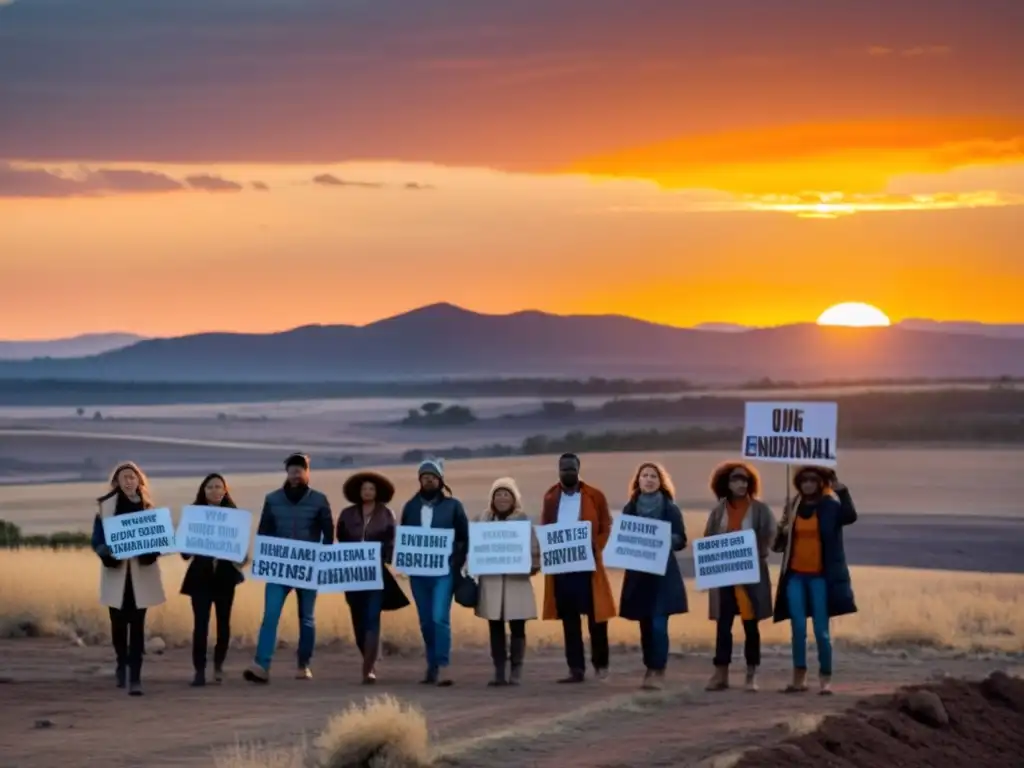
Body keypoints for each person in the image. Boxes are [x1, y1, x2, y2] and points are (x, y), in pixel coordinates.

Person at [244, 453, 334, 684]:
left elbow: (329, 534)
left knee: (306, 618)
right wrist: (265, 559)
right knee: (270, 616)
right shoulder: (273, 499)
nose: (296, 473)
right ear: (287, 472)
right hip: (279, 569)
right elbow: (264, 531)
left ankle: (303, 664)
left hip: (308, 568)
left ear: (307, 472)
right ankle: (261, 666)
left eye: (300, 469)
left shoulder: (320, 500)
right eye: (292, 469)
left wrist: (322, 559)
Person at [772, 465, 858, 695]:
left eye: (813, 480)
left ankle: (825, 678)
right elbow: (778, 543)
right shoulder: (794, 505)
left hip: (821, 577)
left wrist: (841, 490)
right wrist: (782, 529)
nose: (808, 484)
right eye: (804, 480)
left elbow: (850, 516)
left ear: (821, 482)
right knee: (798, 627)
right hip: (795, 575)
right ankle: (798, 678)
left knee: (821, 630)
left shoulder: (830, 505)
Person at [90, 461, 166, 696]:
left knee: (138, 626)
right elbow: (97, 540)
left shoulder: (149, 509)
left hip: (140, 575)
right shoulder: (105, 508)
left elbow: (158, 541)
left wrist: (152, 551)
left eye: (132, 477)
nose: (129, 481)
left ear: (139, 480)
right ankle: (121, 663)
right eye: (124, 477)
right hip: (117, 574)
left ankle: (136, 677)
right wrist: (105, 552)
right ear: (117, 482)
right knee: (119, 625)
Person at [540, 453, 616, 683]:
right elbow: (546, 526)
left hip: (589, 567)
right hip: (563, 567)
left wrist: (596, 547)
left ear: (579, 470)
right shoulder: (551, 497)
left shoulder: (594, 496)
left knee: (597, 618)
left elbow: (606, 525)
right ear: (558, 471)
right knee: (569, 620)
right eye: (564, 469)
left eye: (572, 468)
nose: (568, 472)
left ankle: (601, 665)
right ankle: (576, 669)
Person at [703, 461, 777, 693]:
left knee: (750, 625)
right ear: (726, 483)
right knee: (723, 625)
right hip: (724, 575)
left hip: (750, 577)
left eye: (744, 480)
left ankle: (750, 674)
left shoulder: (760, 510)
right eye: (736, 479)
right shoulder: (719, 510)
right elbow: (708, 539)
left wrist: (756, 551)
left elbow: (770, 538)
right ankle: (720, 674)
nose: (741, 484)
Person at [617, 462, 688, 690]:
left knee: (659, 623)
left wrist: (664, 540)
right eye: (644, 476)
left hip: (663, 576)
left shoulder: (670, 508)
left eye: (653, 476)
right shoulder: (630, 508)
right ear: (638, 481)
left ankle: (659, 669)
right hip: (639, 575)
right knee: (645, 625)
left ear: (661, 481)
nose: (648, 479)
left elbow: (681, 540)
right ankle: (649, 667)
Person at [336, 470, 410, 684]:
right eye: (364, 488)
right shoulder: (347, 514)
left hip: (376, 573)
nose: (367, 492)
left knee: (372, 617)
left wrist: (385, 556)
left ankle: (368, 668)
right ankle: (368, 656)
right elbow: (341, 537)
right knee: (357, 619)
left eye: (371, 488)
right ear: (358, 492)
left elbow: (390, 541)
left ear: (377, 492)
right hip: (352, 572)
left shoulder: (386, 514)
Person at [400, 457, 469, 686]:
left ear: (440, 480)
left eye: (432, 477)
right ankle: (432, 666)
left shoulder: (453, 506)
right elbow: (405, 538)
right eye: (424, 477)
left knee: (440, 617)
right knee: (426, 622)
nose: (428, 481)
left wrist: (456, 562)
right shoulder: (410, 507)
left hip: (443, 571)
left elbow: (463, 537)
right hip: (419, 574)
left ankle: (444, 664)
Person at [180, 473, 246, 687]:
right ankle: (199, 670)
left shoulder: (234, 516)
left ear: (225, 490)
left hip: (225, 578)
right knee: (200, 625)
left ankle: (218, 666)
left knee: (223, 624)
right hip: (200, 577)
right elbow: (184, 554)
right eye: (210, 487)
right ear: (203, 490)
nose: (215, 490)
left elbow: (242, 555)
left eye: (219, 486)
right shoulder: (194, 515)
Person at [474, 477, 540, 687]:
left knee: (518, 626)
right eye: (498, 494)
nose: (502, 498)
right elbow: (476, 548)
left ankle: (517, 669)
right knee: (495, 626)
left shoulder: (523, 521)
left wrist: (532, 565)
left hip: (516, 582)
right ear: (492, 499)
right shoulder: (483, 521)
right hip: (492, 582)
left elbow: (534, 550)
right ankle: (499, 670)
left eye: (506, 494)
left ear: (514, 498)